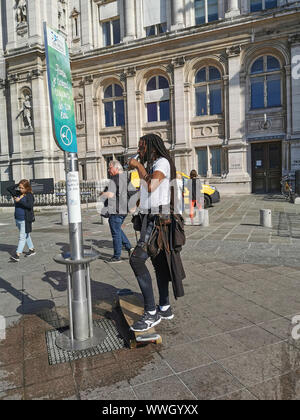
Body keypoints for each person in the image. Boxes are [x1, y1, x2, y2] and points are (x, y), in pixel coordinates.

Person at [128, 134, 186, 332]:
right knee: (159, 263)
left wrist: (137, 166)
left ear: (152, 147)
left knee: (136, 260)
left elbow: (152, 185)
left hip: (158, 220)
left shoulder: (162, 162)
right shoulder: (154, 165)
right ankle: (164, 306)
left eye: (142, 147)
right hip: (151, 217)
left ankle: (151, 313)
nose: (139, 150)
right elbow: (149, 189)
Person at [101, 160, 133, 263]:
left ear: (116, 168)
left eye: (110, 168)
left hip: (116, 210)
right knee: (118, 230)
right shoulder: (126, 178)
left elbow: (110, 195)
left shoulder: (114, 179)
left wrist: (103, 193)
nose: (108, 170)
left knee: (115, 233)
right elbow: (132, 193)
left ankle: (116, 256)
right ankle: (129, 248)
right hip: (123, 210)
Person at [7, 179, 35, 262]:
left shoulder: (29, 195)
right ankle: (32, 249)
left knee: (22, 236)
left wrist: (20, 201)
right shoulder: (18, 193)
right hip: (18, 218)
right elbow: (8, 188)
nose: (20, 189)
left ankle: (17, 255)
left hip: (25, 219)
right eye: (20, 188)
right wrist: (18, 184)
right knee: (26, 235)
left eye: (22, 188)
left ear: (27, 188)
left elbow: (30, 206)